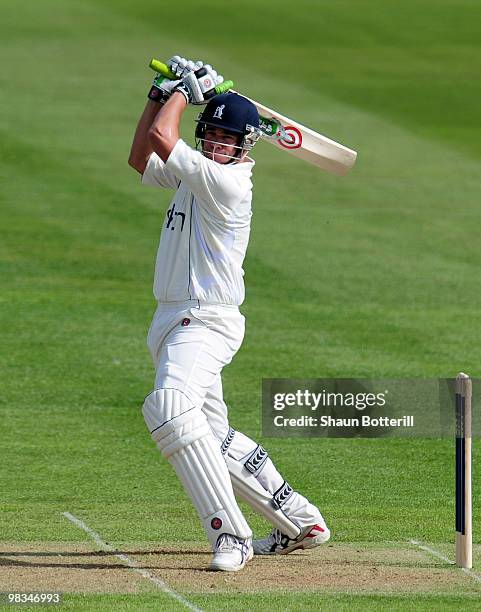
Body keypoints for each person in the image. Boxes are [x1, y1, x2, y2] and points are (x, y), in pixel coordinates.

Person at [128, 55, 330, 572]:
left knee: (169, 407)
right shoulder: (195, 175)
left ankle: (231, 536)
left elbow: (164, 137)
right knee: (207, 435)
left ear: (245, 145)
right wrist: (161, 92)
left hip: (206, 320)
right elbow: (141, 154)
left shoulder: (228, 184)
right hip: (172, 318)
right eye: (210, 135)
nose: (216, 144)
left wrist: (182, 90)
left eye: (226, 138)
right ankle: (300, 520)